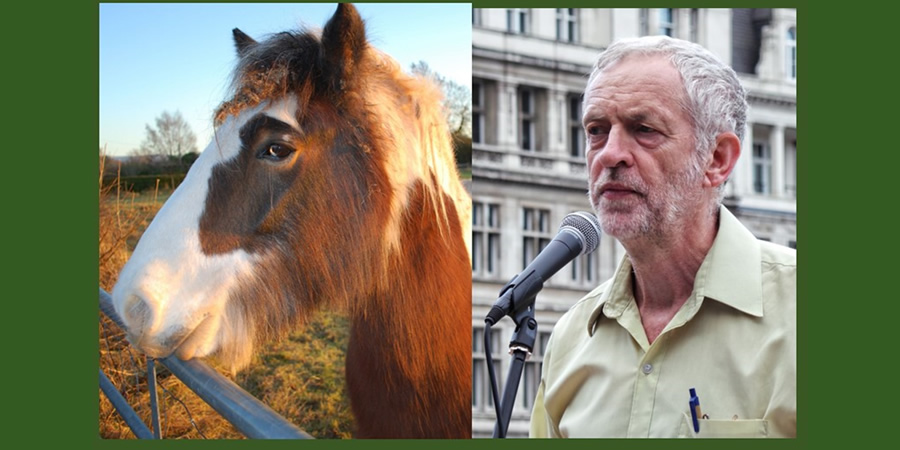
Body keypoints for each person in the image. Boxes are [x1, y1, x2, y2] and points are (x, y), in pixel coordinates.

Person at [529, 36, 796, 438]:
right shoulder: (571, 336)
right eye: (597, 131)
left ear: (717, 159)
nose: (609, 154)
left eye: (644, 129)